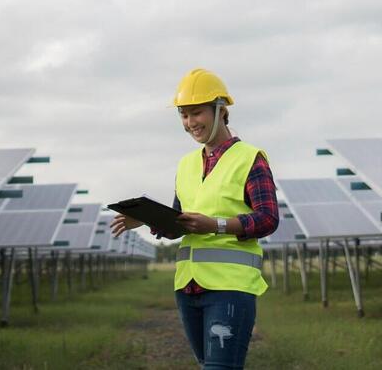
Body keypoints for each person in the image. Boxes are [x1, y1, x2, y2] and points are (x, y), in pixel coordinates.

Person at [112, 68, 279, 369]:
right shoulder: (186, 165)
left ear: (220, 109)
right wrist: (147, 219)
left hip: (230, 288)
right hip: (188, 289)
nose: (190, 123)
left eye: (196, 113)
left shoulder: (250, 159)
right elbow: (181, 223)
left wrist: (215, 225)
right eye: (183, 115)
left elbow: (268, 219)